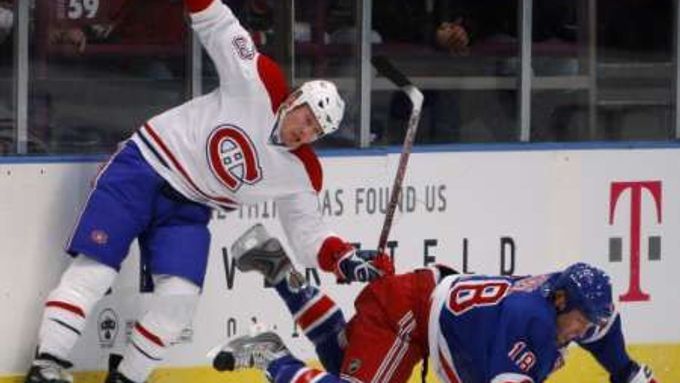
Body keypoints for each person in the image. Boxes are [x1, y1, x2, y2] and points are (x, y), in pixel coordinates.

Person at [23, 1, 394, 383]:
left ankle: (127, 377)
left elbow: (307, 239)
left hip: (188, 209)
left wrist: (344, 258)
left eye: (316, 131)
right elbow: (217, 23)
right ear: (294, 100)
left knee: (179, 301)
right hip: (143, 167)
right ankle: (47, 365)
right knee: (96, 270)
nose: (305, 132)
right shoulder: (258, 80)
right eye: (306, 119)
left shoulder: (302, 173)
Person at [214, 225, 659, 383]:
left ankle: (281, 272)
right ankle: (272, 356)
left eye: (587, 324)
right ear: (559, 301)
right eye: (579, 321)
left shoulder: (571, 304)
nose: (581, 332)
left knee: (338, 359)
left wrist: (625, 371)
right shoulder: (533, 325)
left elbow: (614, 348)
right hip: (409, 320)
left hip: (421, 307)